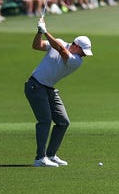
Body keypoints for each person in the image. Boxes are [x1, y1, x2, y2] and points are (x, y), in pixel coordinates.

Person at [25, 17, 93, 167]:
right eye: (83, 51)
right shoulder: (59, 42)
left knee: (63, 122)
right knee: (45, 121)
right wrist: (39, 32)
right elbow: (37, 46)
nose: (84, 55)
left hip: (48, 89)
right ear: (75, 45)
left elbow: (61, 50)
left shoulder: (76, 60)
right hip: (35, 86)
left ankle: (51, 155)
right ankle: (40, 158)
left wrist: (45, 31)